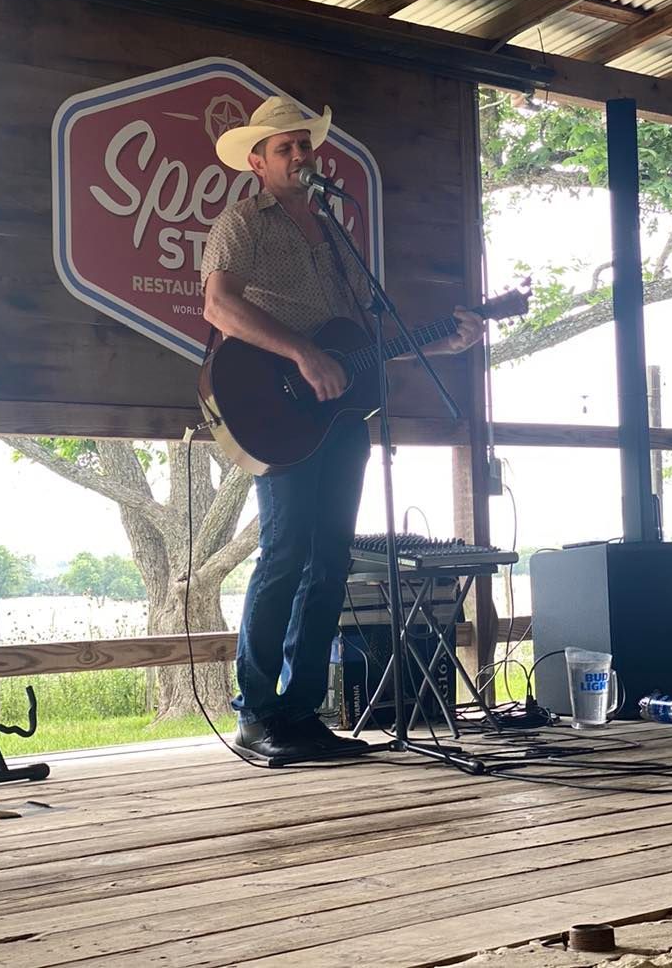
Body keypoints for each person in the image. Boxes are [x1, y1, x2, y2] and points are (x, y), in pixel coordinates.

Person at [201, 95, 483, 763]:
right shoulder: (242, 221)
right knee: (283, 553)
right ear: (257, 162)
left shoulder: (334, 231)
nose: (300, 155)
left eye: (305, 144)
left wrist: (439, 342)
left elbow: (362, 341)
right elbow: (218, 304)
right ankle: (255, 712)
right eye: (285, 148)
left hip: (340, 417)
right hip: (276, 405)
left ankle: (302, 711)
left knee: (329, 561)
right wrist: (302, 354)